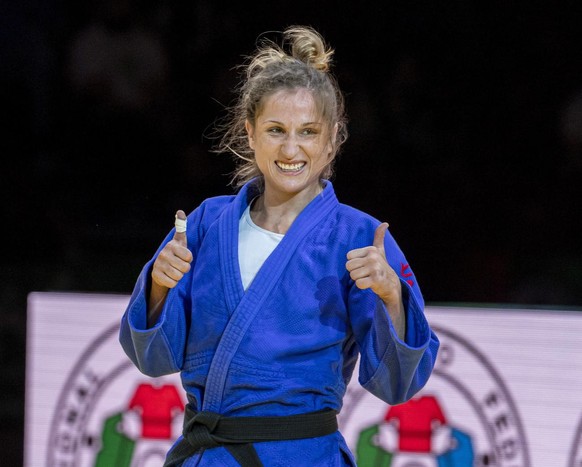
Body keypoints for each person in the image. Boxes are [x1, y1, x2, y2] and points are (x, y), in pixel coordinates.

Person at [119, 25, 439, 467]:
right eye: (276, 129)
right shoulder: (206, 224)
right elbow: (153, 361)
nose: (292, 148)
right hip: (207, 456)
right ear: (250, 133)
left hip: (301, 454)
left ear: (332, 141)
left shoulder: (359, 238)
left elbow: (396, 386)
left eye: (308, 132)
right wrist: (158, 286)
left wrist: (392, 299)